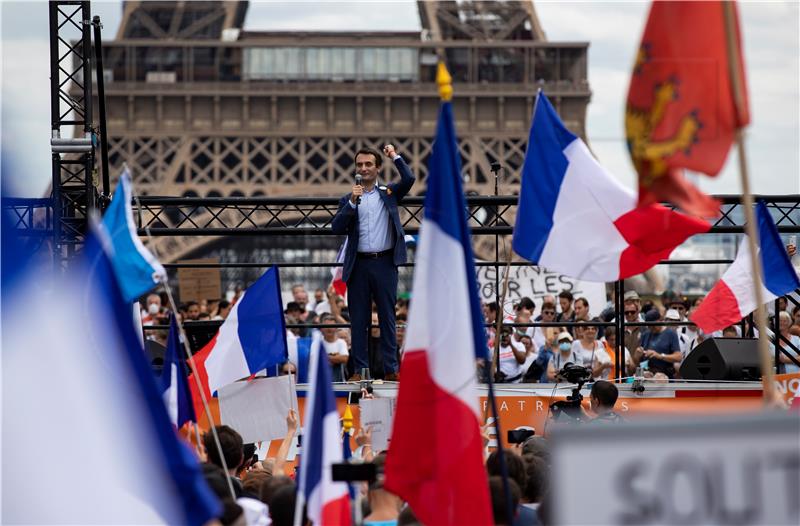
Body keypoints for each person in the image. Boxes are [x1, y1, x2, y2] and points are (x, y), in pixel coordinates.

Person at [331, 144, 415, 382]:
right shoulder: (348, 200)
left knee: (387, 317)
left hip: (385, 262)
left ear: (378, 168)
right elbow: (336, 227)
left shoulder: (389, 194)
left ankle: (391, 368)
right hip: (359, 265)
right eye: (360, 165)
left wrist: (394, 156)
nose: (364, 168)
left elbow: (409, 178)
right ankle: (359, 370)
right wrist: (351, 204)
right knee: (359, 320)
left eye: (369, 164)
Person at [633, 309, 681, 378]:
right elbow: (637, 362)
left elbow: (678, 357)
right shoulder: (646, 334)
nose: (651, 328)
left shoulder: (670, 334)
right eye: (649, 326)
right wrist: (637, 355)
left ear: (660, 320)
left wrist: (659, 356)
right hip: (647, 373)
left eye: (653, 325)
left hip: (664, 374)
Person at [320, 313, 349, 382]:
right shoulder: (317, 343)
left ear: (336, 328)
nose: (329, 329)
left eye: (332, 326)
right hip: (322, 382)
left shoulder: (341, 342)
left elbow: (345, 358)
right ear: (321, 328)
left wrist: (325, 357)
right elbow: (314, 359)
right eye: (326, 326)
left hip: (339, 382)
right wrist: (336, 357)